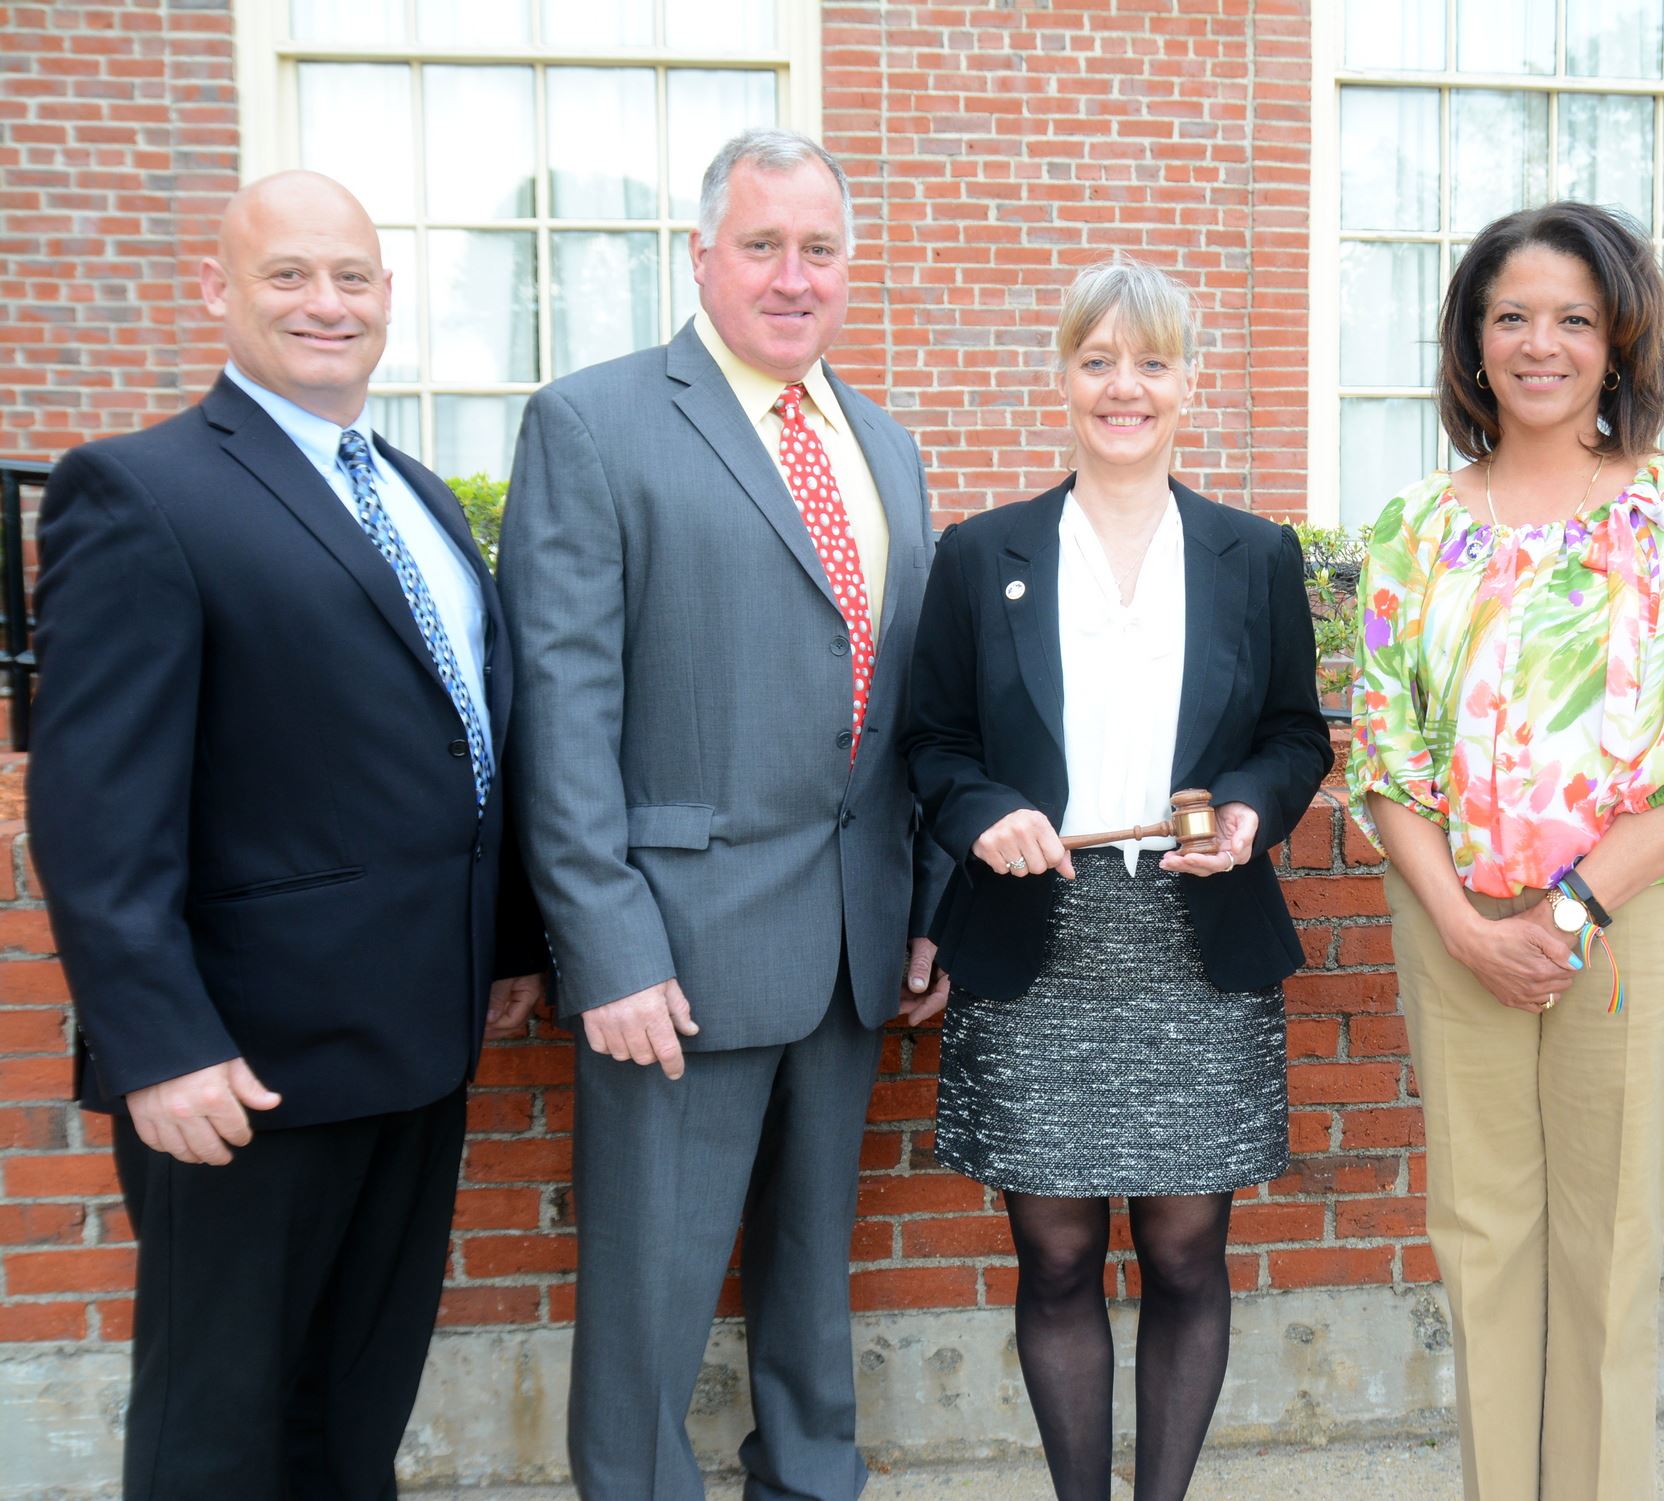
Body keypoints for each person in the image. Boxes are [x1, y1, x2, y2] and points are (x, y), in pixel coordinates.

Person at [26, 171, 546, 1500]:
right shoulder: (137, 490)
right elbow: (94, 809)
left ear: (387, 296)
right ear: (217, 289)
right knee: (219, 1432)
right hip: (241, 1071)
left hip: (415, 1048)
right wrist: (159, 1044)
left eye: (352, 277)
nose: (328, 303)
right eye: (289, 275)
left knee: (351, 1417)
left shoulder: (420, 496)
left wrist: (506, 940)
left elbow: (461, 737)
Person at [499, 128, 948, 1500]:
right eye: (762, 245)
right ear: (702, 257)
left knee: (814, 1280)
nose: (793, 276)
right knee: (650, 1299)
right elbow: (561, 711)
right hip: (676, 958)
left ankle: (809, 1480)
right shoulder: (594, 423)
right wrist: (608, 947)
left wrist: (923, 909)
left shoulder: (886, 445)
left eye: (820, 249)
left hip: (852, 946)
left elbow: (910, 706)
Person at [1345, 200, 1664, 1501]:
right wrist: (1466, 923)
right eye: (1512, 317)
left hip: (1642, 916)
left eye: (1574, 319)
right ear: (1472, 342)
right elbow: (1384, 756)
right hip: (1454, 917)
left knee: (1604, 1249)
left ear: (1618, 341)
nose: (1541, 344)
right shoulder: (1412, 526)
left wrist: (1570, 907)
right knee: (1480, 1239)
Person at [901, 256, 1330, 1501]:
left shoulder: (1255, 553)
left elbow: (1295, 736)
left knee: (1188, 1254)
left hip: (1199, 937)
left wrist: (1249, 807)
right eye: (1097, 361)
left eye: (1150, 362)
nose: (1123, 387)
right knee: (1054, 1257)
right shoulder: (981, 554)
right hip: (1039, 938)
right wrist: (985, 815)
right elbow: (933, 743)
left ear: (1191, 381)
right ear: (1062, 378)